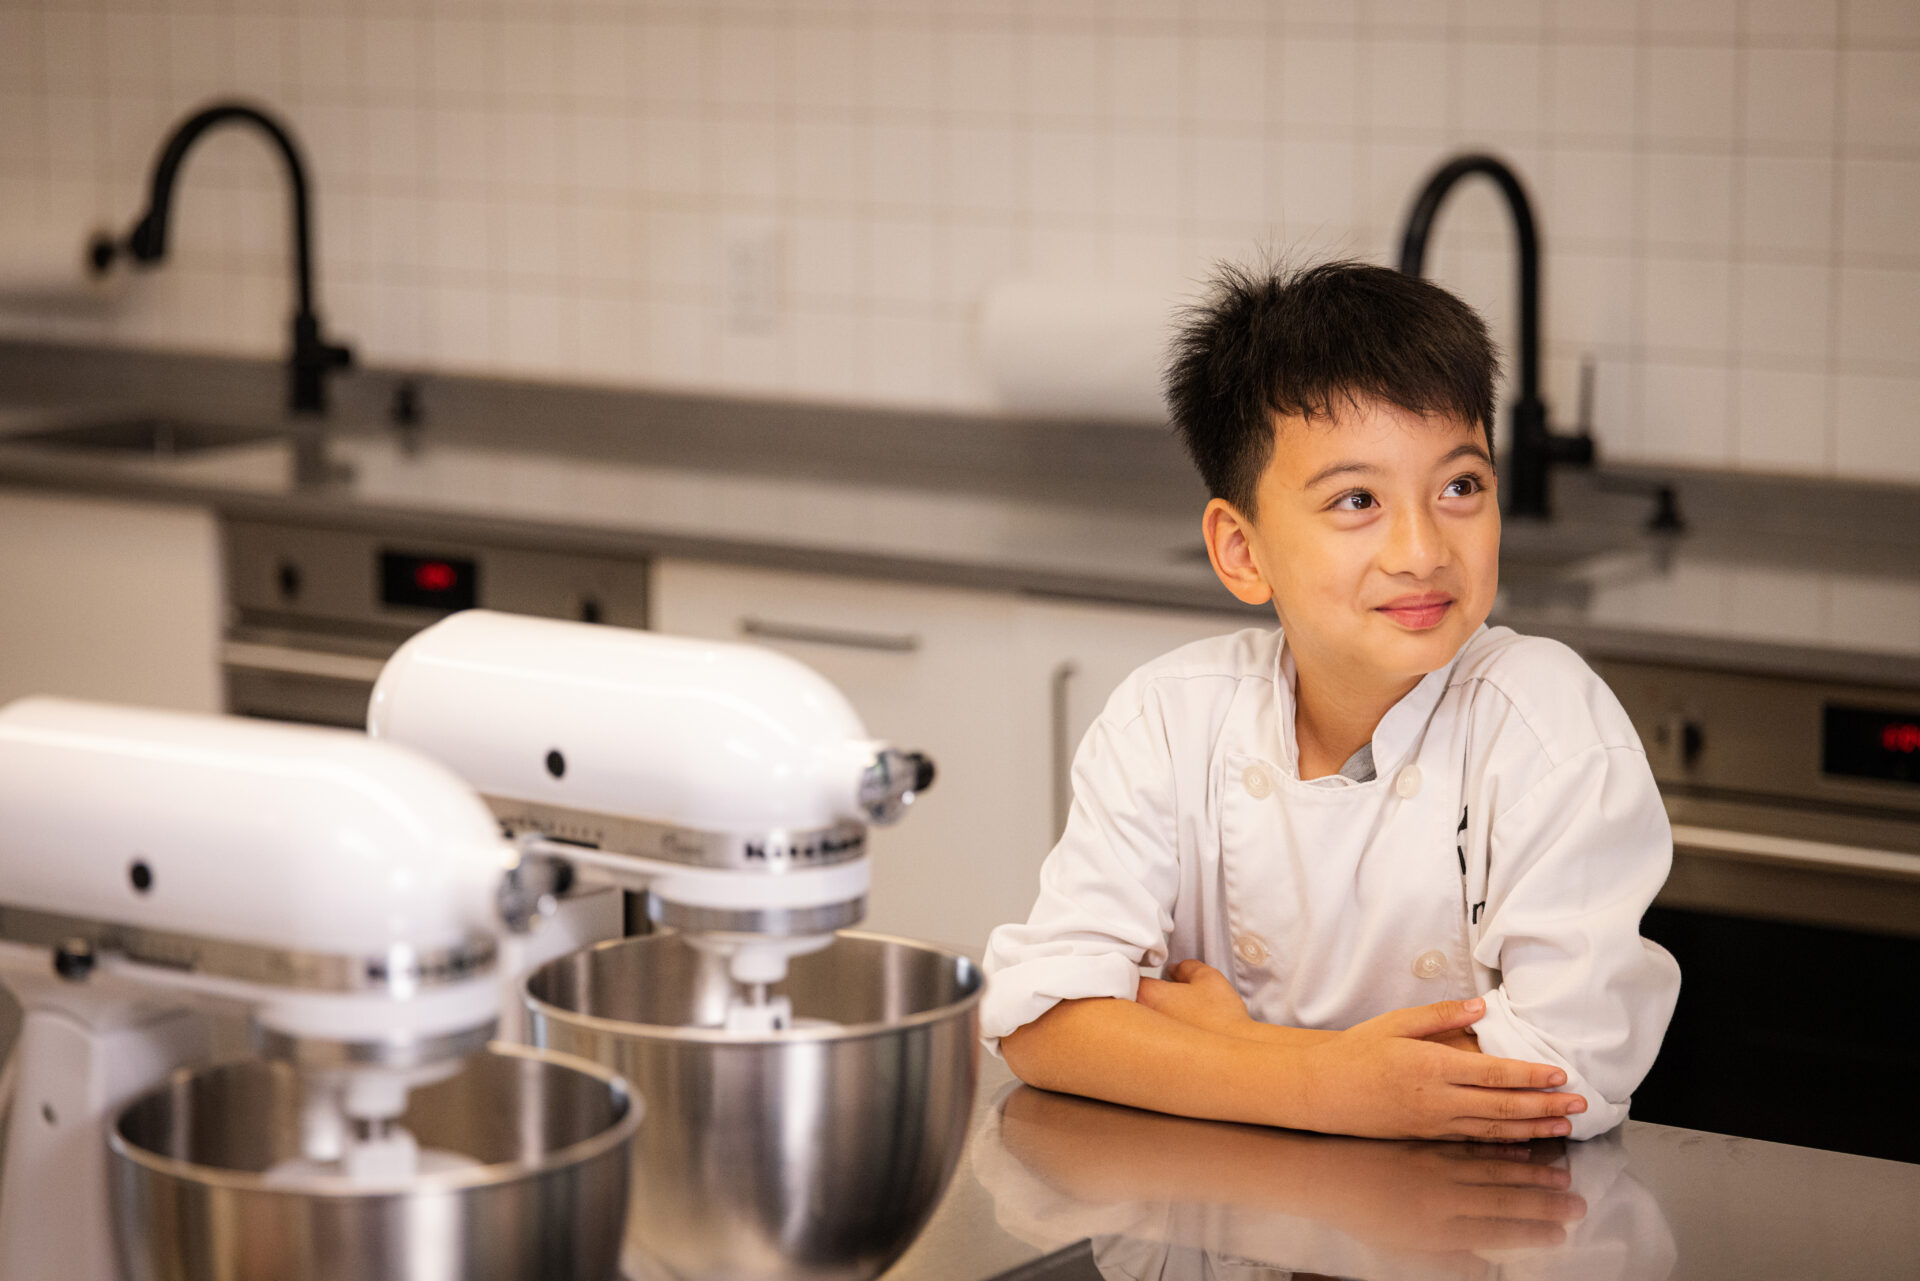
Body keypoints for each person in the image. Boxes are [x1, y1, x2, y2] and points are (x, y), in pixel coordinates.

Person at [982, 260, 1680, 1142]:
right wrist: (1322, 1080)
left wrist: (1219, 1046)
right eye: (1357, 499)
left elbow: (1554, 1072)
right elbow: (1042, 1017)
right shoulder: (1166, 721)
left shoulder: (1549, 728)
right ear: (1241, 551)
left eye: (1460, 486)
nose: (1422, 548)